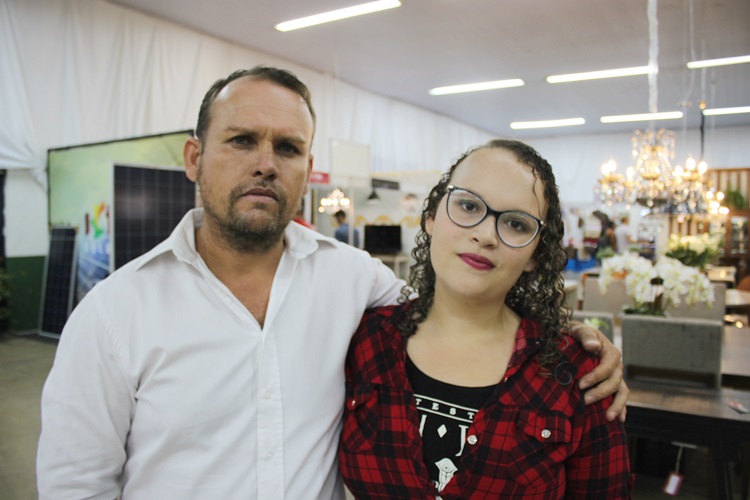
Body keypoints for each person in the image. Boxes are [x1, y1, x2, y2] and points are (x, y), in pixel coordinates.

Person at [37, 67, 626, 499]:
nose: (266, 163)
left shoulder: (352, 280)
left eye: (288, 148)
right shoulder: (114, 314)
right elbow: (75, 486)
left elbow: (460, 309)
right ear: (194, 157)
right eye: (241, 140)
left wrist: (576, 338)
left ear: (306, 168)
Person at [339, 139, 632, 497]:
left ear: (535, 254)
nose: (485, 235)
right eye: (468, 205)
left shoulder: (577, 373)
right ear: (431, 217)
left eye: (516, 224)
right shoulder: (364, 340)